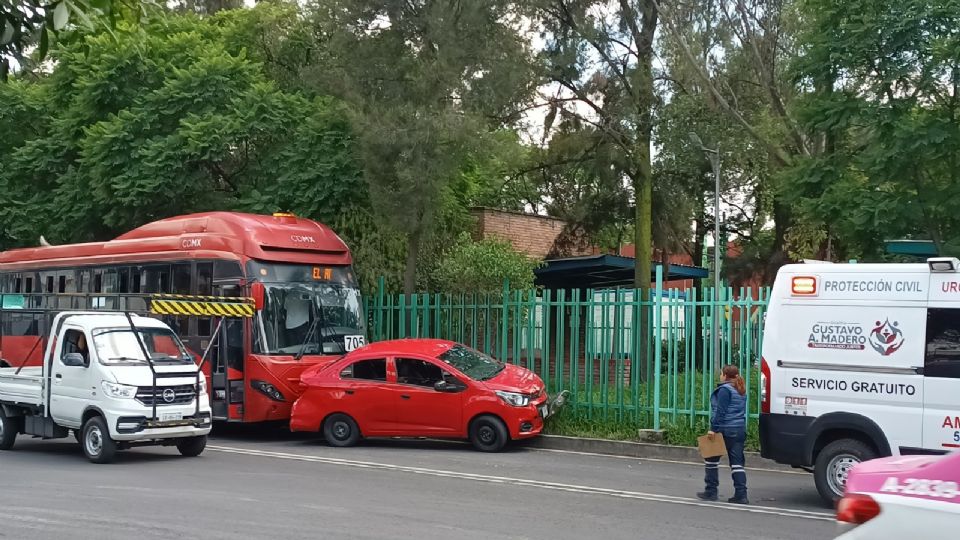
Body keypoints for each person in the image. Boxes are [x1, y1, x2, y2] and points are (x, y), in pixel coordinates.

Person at [697, 364, 749, 504]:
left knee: (711, 460)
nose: (720, 375)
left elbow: (721, 411)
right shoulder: (740, 389)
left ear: (725, 376)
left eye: (721, 373)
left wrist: (713, 429)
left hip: (725, 429)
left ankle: (711, 491)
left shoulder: (725, 390)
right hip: (739, 429)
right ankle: (741, 494)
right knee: (737, 464)